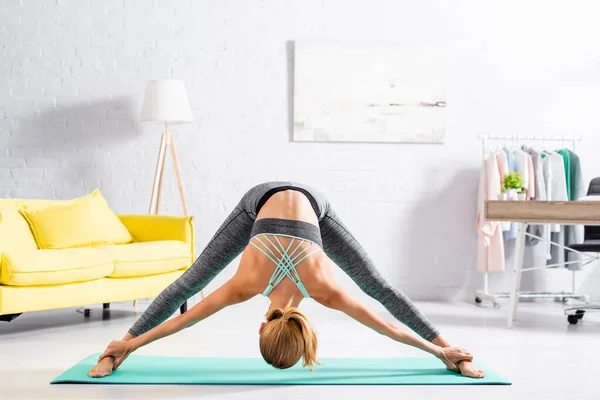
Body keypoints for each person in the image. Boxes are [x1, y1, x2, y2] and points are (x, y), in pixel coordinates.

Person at [89, 182, 484, 378]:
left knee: (190, 282)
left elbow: (386, 327)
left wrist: (439, 353)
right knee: (191, 284)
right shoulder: (246, 285)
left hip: (295, 203)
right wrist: (131, 346)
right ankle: (115, 350)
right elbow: (185, 318)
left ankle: (455, 353)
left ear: (306, 329)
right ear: (261, 326)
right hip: (279, 203)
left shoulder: (325, 291)